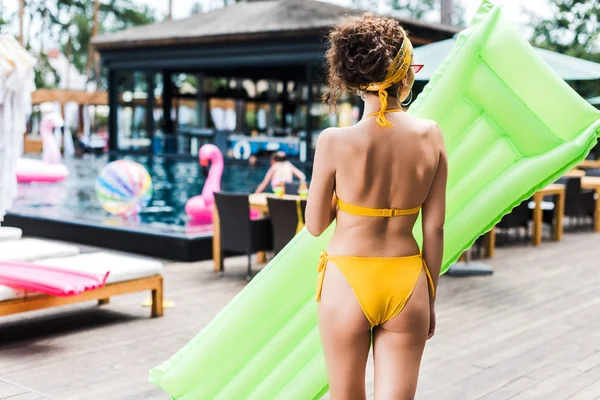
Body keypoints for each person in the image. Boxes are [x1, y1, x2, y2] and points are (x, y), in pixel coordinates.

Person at [305, 14, 447, 399]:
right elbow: (433, 229)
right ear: (405, 75)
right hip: (408, 280)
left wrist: (346, 199)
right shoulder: (430, 136)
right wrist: (429, 298)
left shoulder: (334, 141)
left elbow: (315, 224)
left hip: (347, 279)